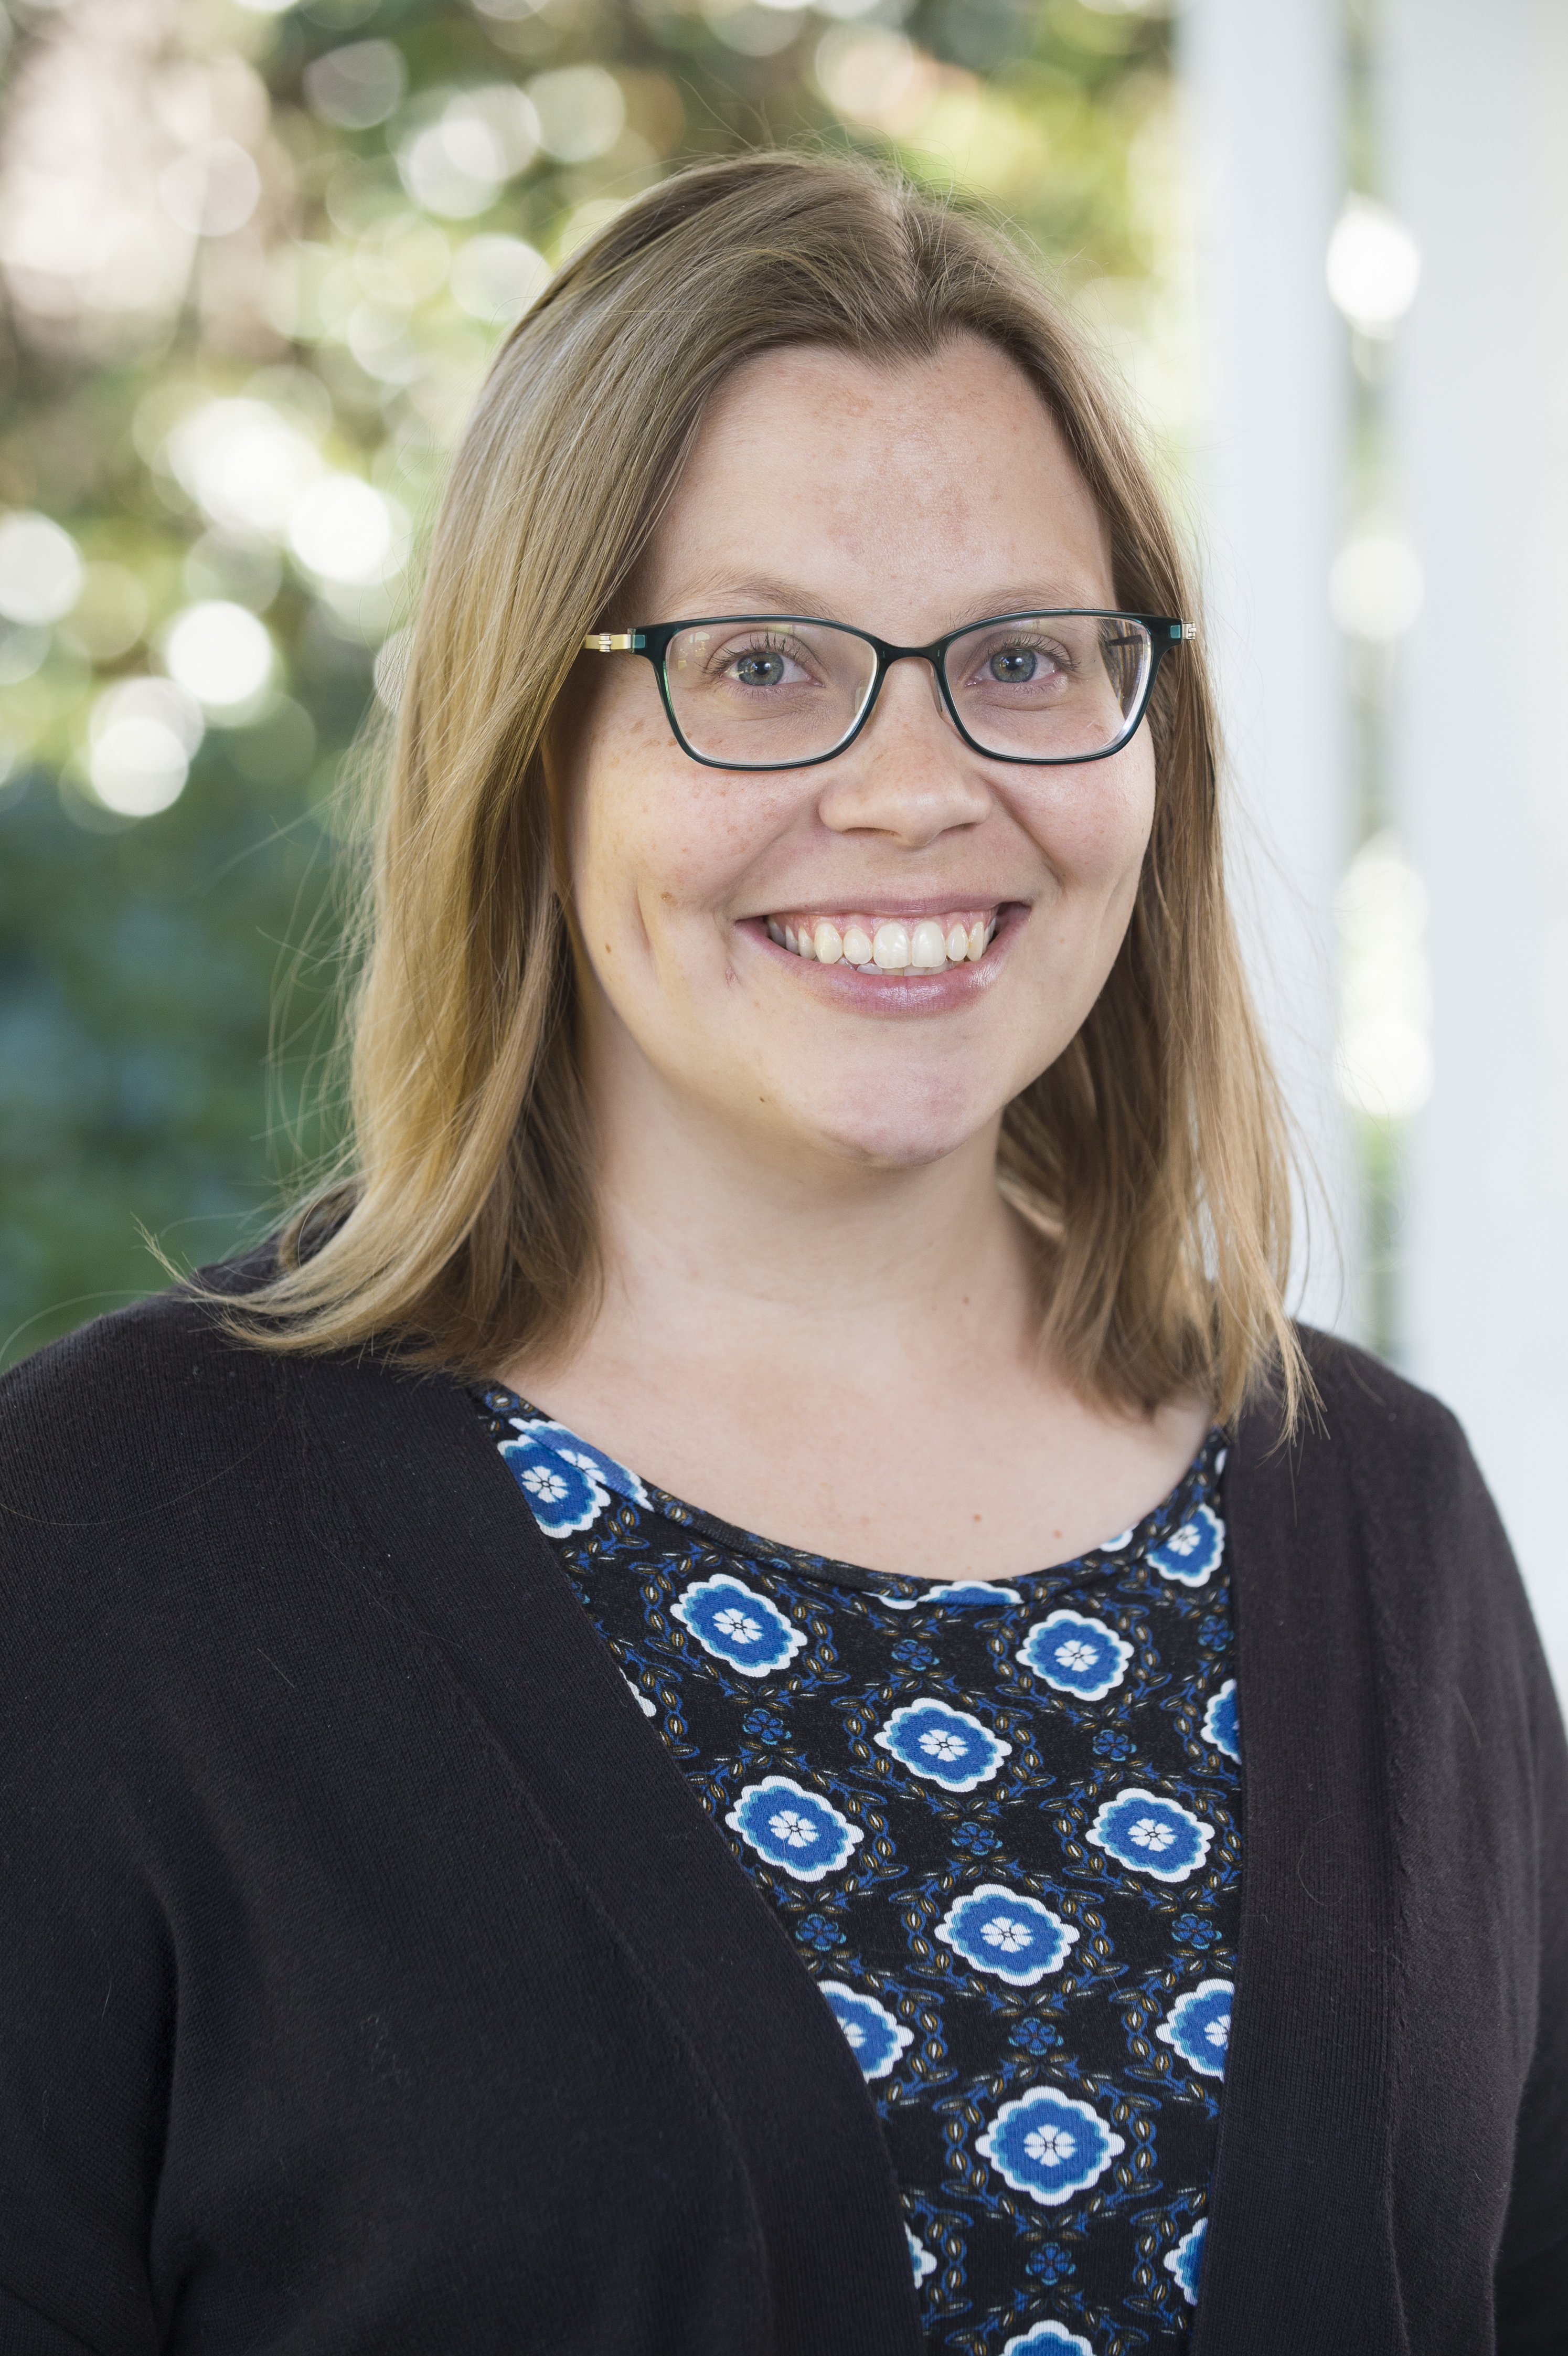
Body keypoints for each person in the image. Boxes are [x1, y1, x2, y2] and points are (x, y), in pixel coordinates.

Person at [1, 153, 1563, 2356]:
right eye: (758, 663)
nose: (918, 786)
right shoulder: (104, 1540)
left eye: (1023, 656)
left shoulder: (1381, 1518)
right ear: (530, 745)